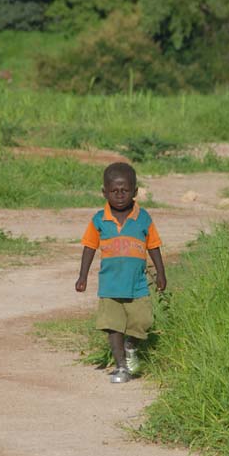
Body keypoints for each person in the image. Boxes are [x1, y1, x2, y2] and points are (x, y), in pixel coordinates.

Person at [75, 162, 167, 383]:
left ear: (135, 191)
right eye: (114, 191)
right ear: (104, 192)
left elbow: (153, 246)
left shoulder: (143, 218)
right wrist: (82, 276)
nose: (119, 195)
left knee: (143, 321)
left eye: (125, 190)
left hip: (137, 284)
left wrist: (161, 274)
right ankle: (121, 367)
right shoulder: (99, 220)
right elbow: (89, 247)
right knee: (113, 326)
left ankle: (130, 346)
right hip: (110, 285)